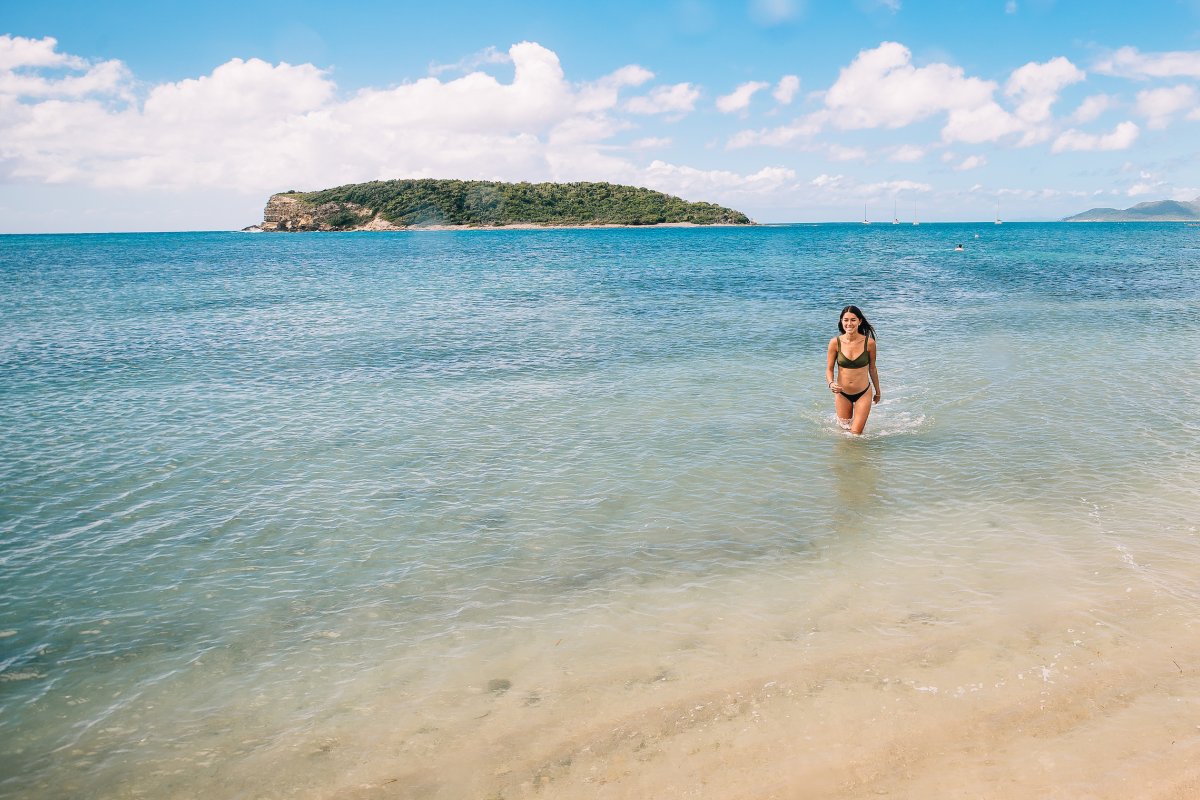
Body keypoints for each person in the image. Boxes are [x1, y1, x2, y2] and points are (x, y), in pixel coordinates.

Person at [825, 305, 881, 435]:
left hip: (863, 392)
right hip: (842, 394)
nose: (849, 323)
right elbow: (829, 369)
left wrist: (878, 391)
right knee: (844, 432)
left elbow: (872, 368)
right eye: (845, 320)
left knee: (855, 434)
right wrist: (831, 383)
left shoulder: (869, 343)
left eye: (853, 320)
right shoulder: (835, 343)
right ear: (841, 321)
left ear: (859, 321)